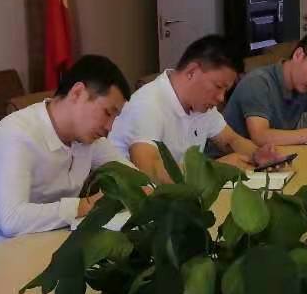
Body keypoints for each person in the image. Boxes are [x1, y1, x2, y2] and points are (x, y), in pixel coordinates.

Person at [0, 55, 135, 251]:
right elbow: (12, 220)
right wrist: (84, 205)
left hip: (51, 247)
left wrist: (141, 188)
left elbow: (132, 176)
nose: (109, 127)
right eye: (107, 113)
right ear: (77, 93)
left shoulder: (89, 138)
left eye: (115, 117)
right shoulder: (17, 133)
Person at [110, 35, 281, 183]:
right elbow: (150, 171)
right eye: (218, 86)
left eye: (225, 90)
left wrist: (257, 154)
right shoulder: (148, 104)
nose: (221, 98)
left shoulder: (201, 104)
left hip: (183, 198)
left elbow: (230, 140)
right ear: (192, 71)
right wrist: (213, 169)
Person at [221, 31, 307, 148]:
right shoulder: (258, 82)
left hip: (269, 157)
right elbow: (260, 136)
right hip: (228, 159)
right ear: (299, 55)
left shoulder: (304, 87)